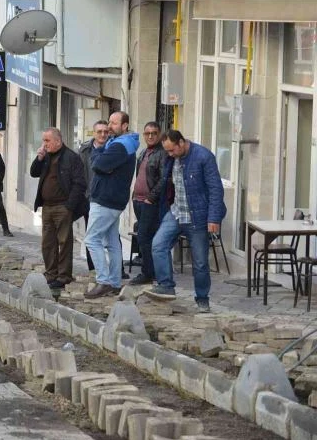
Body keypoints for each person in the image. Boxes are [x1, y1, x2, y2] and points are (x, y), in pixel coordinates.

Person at [147, 130, 226, 313]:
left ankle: (202, 298)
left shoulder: (203, 157)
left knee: (199, 262)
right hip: (176, 212)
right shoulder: (171, 158)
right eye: (167, 151)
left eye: (172, 150)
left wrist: (213, 218)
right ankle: (166, 285)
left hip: (198, 216)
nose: (170, 154)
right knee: (158, 245)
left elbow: (216, 189)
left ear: (181, 143)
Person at [84, 111, 139, 298]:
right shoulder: (120, 144)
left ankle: (104, 281)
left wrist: (99, 152)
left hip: (106, 198)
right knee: (112, 242)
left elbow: (98, 165)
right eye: (109, 122)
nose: (109, 126)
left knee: (91, 239)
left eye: (114, 123)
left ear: (125, 126)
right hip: (113, 199)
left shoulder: (119, 146)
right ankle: (115, 282)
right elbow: (102, 166)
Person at [30, 128, 88, 288]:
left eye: (47, 141)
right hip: (47, 206)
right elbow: (33, 173)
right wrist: (39, 158)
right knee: (47, 242)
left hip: (63, 206)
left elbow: (80, 184)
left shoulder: (71, 157)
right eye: (44, 141)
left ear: (57, 141)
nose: (44, 144)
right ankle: (50, 273)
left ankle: (63, 276)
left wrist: (70, 205)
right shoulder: (46, 156)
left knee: (64, 242)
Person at [129, 121, 166, 285]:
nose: (150, 136)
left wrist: (151, 197)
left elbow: (165, 179)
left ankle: (148, 273)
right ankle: (151, 270)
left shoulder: (162, 154)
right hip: (138, 200)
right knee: (145, 237)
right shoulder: (143, 152)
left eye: (154, 133)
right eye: (147, 133)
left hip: (150, 202)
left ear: (159, 135)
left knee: (144, 236)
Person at [78, 120, 109, 271]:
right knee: (91, 235)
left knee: (112, 236)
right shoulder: (84, 150)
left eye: (106, 131)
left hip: (109, 200)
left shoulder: (114, 149)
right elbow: (79, 174)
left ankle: (118, 270)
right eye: (99, 132)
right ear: (94, 133)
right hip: (89, 198)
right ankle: (93, 269)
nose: (103, 135)